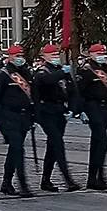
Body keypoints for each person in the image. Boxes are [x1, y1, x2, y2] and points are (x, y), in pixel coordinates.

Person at [32, 45, 80, 193]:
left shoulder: (61, 71)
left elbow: (72, 90)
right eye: (51, 55)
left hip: (60, 112)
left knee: (52, 147)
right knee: (58, 143)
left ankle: (46, 180)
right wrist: (62, 72)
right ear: (44, 57)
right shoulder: (42, 71)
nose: (55, 57)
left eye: (56, 54)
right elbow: (47, 81)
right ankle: (68, 179)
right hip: (46, 112)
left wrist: (72, 109)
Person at [0, 49, 36, 198]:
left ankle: (6, 182)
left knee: (14, 150)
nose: (20, 59)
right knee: (18, 149)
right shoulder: (3, 75)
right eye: (17, 56)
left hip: (23, 116)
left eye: (21, 56)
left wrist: (33, 116)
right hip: (8, 115)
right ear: (10, 57)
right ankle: (23, 185)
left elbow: (32, 95)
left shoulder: (26, 73)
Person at [79, 45, 107, 191]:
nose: (102, 55)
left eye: (103, 53)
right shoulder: (86, 70)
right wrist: (81, 111)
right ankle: (97, 177)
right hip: (92, 107)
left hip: (105, 108)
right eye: (98, 53)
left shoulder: (105, 69)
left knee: (97, 144)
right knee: (102, 142)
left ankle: (95, 178)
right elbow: (79, 91)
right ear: (91, 54)